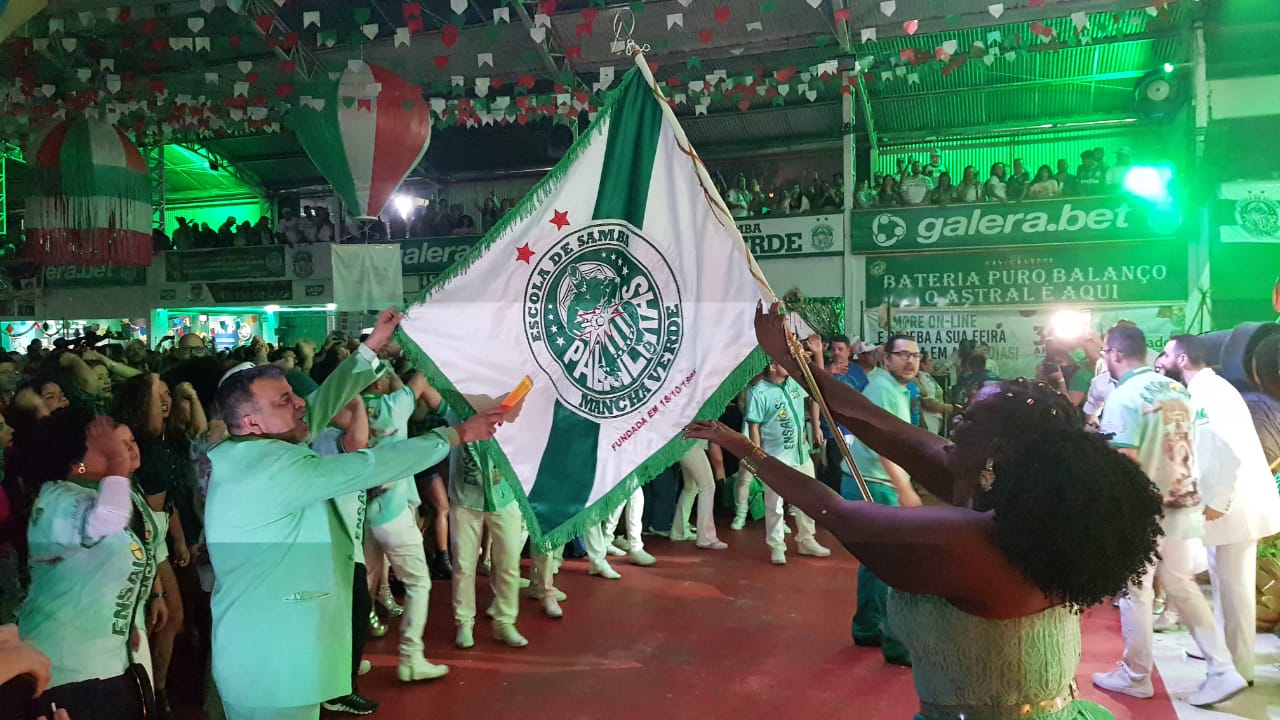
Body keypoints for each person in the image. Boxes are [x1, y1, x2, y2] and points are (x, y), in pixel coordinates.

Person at [685, 303, 1163, 720]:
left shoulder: (979, 540)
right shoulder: (1009, 493)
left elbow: (834, 510)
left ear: (999, 449)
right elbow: (878, 424)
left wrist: (741, 447)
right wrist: (792, 361)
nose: (956, 417)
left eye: (970, 417)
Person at [203, 308, 508, 720]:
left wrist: (371, 349)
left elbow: (318, 403)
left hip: (273, 658)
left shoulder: (253, 448)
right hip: (273, 665)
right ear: (252, 420)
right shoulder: (272, 468)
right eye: (285, 400)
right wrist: (457, 434)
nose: (299, 404)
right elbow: (372, 465)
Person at [1091, 324, 1248, 707]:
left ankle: (1136, 674)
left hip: (1141, 510)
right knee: (1180, 585)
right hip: (1181, 503)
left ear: (1113, 354)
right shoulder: (1177, 389)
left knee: (1135, 591)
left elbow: (1122, 461)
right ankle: (1221, 668)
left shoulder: (1123, 396)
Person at [16, 409, 162, 720]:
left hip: (118, 666)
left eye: (127, 441)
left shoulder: (123, 494)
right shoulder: (55, 499)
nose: (125, 448)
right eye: (110, 444)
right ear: (77, 457)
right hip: (69, 673)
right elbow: (106, 520)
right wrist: (118, 464)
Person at [1160, 334, 1280, 686]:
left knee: (1234, 588)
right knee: (1223, 581)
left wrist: (1217, 501)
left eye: (1166, 354)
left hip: (1234, 508)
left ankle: (1239, 667)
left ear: (1182, 360)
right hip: (1230, 508)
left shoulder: (1209, 393)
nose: (1162, 360)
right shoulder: (1207, 390)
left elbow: (1227, 452)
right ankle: (1226, 650)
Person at [745, 360, 831, 565]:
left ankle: (806, 539)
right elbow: (754, 427)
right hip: (775, 457)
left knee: (808, 499)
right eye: (784, 362)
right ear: (773, 366)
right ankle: (776, 546)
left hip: (801, 454)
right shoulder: (759, 392)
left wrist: (817, 353)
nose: (789, 365)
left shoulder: (794, 384)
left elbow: (816, 386)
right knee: (774, 504)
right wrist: (758, 458)